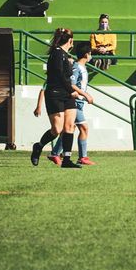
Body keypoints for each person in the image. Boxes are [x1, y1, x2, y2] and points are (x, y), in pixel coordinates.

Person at [30, 28, 93, 169]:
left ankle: (67, 160)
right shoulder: (57, 53)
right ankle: (38, 146)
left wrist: (71, 91)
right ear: (70, 40)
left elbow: (66, 76)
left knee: (69, 126)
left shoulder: (66, 55)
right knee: (57, 129)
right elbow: (59, 75)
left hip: (67, 95)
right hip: (55, 94)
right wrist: (75, 91)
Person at [45, 43, 96, 166]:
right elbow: (71, 84)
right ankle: (82, 157)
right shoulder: (76, 67)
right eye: (90, 53)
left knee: (69, 129)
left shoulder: (82, 68)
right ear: (86, 54)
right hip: (74, 102)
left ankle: (55, 153)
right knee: (82, 127)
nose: (91, 56)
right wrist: (85, 95)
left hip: (79, 103)